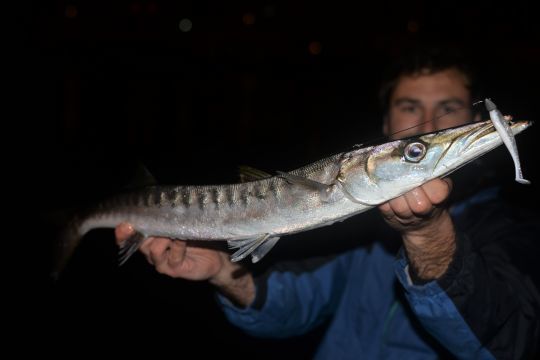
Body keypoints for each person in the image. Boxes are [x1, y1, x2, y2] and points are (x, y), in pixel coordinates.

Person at [115, 47, 540, 358]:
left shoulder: (512, 226)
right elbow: (293, 310)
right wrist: (227, 273)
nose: (427, 121)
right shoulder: (357, 234)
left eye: (448, 108)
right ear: (385, 124)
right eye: (410, 109)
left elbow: (511, 344)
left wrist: (430, 238)